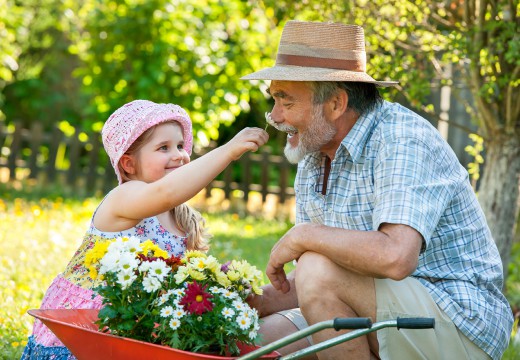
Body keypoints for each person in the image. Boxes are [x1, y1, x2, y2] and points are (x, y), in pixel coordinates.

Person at [241, 20, 513, 359]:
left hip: (460, 324)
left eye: (286, 101)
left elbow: (395, 257)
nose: (275, 116)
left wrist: (303, 236)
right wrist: (248, 299)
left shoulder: (401, 140)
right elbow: (325, 286)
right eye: (275, 99)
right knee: (250, 339)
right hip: (388, 310)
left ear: (336, 104)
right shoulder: (315, 156)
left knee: (315, 266)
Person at [21, 99, 268, 359]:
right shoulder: (124, 197)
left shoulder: (177, 216)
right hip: (81, 330)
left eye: (181, 145)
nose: (179, 155)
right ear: (128, 164)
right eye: (163, 147)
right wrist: (229, 150)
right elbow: (167, 192)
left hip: (132, 327)